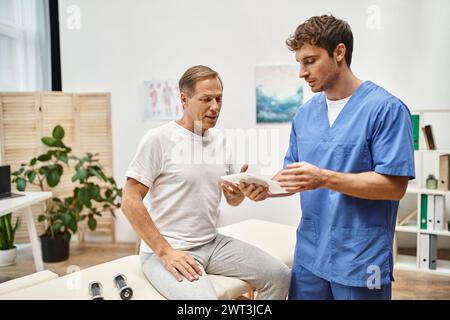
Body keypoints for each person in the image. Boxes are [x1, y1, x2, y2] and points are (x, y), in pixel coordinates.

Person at [239, 14, 415, 300]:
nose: (301, 72)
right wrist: (264, 188)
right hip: (310, 255)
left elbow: (394, 186)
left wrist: (324, 178)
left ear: (339, 53)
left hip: (360, 257)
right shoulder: (305, 115)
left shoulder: (386, 110)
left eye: (310, 61)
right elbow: (294, 178)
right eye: (299, 63)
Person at [122, 65, 290, 300]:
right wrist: (166, 252)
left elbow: (232, 200)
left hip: (212, 242)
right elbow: (129, 201)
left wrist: (238, 192)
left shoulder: (220, 142)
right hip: (167, 250)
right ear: (184, 99)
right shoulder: (159, 139)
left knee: (280, 276)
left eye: (219, 99)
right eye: (206, 99)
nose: (215, 107)